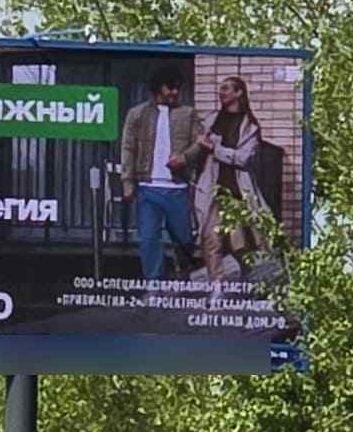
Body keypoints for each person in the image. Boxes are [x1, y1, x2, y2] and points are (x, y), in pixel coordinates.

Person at [115, 65, 203, 286]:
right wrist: (127, 181)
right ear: (157, 88)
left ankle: (183, 276)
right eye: (170, 88)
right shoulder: (137, 114)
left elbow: (201, 143)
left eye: (177, 88)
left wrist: (185, 157)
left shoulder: (188, 114)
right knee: (148, 239)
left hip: (178, 188)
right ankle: (154, 284)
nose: (174, 92)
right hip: (148, 187)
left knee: (183, 239)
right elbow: (128, 148)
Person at [196, 72, 278, 286]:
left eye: (226, 88)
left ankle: (251, 281)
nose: (220, 92)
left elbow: (244, 159)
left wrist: (216, 149)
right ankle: (217, 285)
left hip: (239, 194)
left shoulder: (250, 126)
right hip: (216, 191)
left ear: (238, 93)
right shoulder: (212, 119)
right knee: (210, 238)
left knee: (241, 244)